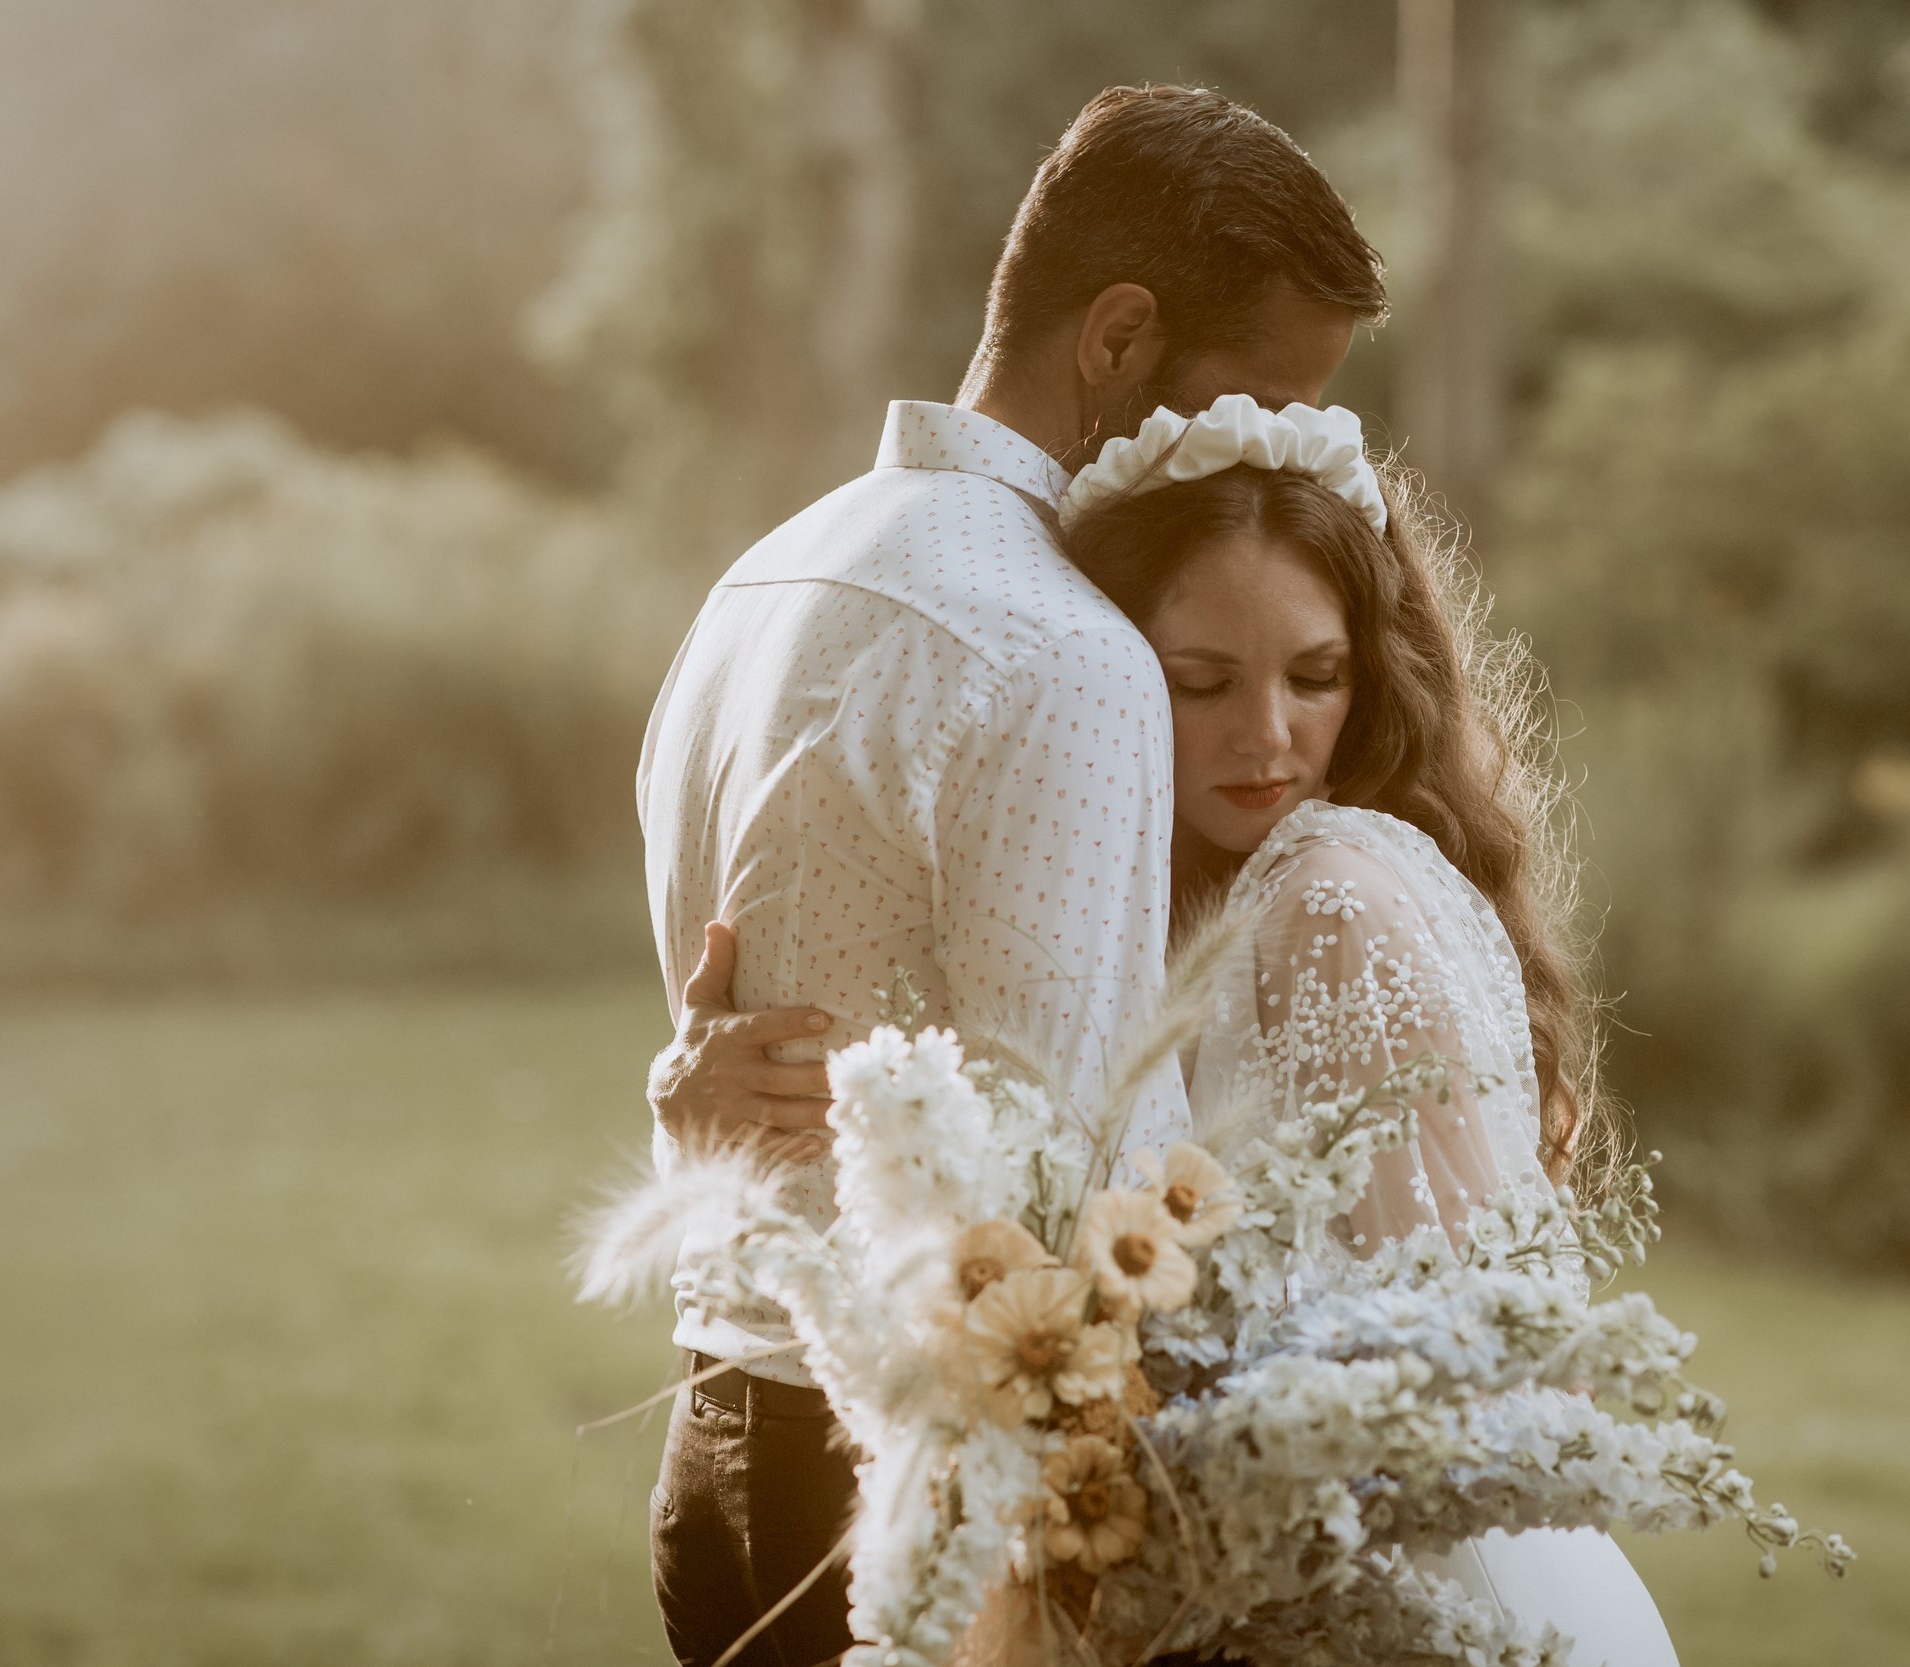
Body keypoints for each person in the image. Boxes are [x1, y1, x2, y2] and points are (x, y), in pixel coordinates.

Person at [663, 393, 1683, 1665]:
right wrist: (705, 1119)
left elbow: (1498, 1369)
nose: (1268, 738)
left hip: (1376, 1594)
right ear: (1116, 669)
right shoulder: (1107, 892)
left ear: (1371, 677)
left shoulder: (1335, 894)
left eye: (1317, 676)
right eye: (1200, 682)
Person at [634, 85, 1387, 1667]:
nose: (1274, 456)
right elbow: (1096, 1172)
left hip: (715, 1444)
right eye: (1255, 401)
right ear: (1116, 338)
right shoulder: (1063, 647)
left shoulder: (760, 578)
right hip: (931, 1507)